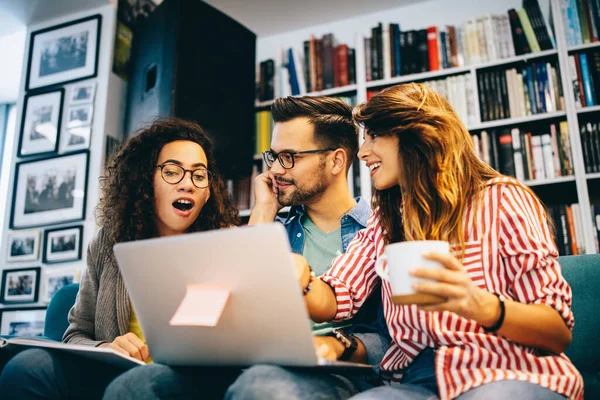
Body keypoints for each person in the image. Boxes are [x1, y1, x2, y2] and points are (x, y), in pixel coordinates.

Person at [285, 83, 584, 400]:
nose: (362, 153)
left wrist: (480, 305)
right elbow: (337, 295)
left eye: (373, 136)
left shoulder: (502, 199)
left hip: (508, 369)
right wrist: (299, 276)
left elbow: (557, 331)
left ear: (415, 135)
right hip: (416, 381)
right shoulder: (387, 218)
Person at [104, 96, 389, 399]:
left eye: (290, 157)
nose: (276, 170)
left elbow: (387, 337)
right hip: (241, 366)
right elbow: (227, 307)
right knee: (134, 386)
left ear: (336, 161)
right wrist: (264, 213)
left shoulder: (376, 232)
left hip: (329, 372)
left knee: (263, 388)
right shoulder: (270, 227)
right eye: (274, 156)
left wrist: (333, 345)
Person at [0, 118, 239, 399]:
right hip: (110, 374)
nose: (187, 184)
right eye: (172, 172)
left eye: (199, 175)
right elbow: (75, 334)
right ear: (145, 180)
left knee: (135, 387)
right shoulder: (107, 244)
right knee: (29, 367)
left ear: (208, 190)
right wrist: (106, 348)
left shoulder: (227, 245)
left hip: (185, 384)